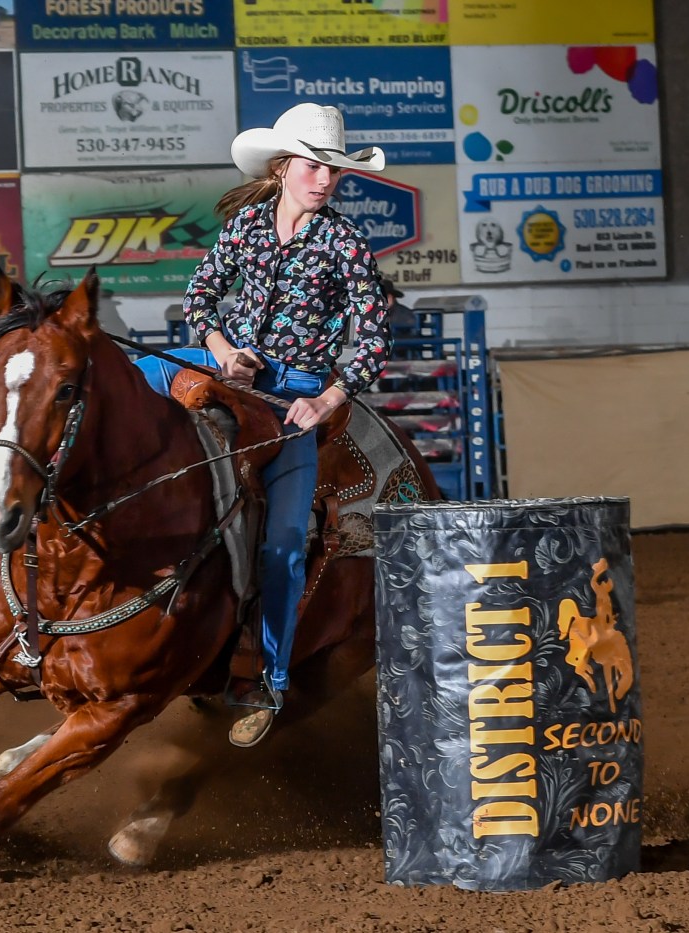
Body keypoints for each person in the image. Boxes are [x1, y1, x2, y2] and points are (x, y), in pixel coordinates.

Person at [134, 103, 393, 748]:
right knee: (130, 375)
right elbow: (199, 299)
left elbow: (373, 338)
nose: (326, 179)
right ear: (283, 168)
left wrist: (328, 400)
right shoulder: (246, 226)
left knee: (281, 545)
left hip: (292, 399)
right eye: (314, 166)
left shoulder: (345, 241)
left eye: (334, 170)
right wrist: (223, 352)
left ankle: (264, 681)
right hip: (229, 370)